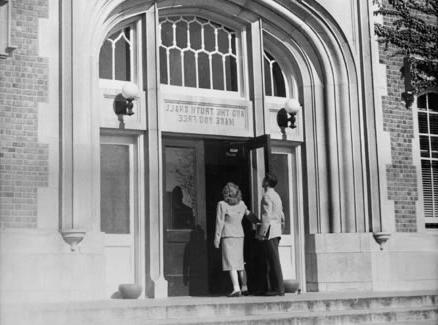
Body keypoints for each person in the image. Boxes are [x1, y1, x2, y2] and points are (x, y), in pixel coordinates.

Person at [214, 182, 250, 297]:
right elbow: (249, 215)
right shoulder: (242, 204)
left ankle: (236, 288)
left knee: (231, 263)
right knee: (240, 262)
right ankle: (245, 287)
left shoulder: (221, 204)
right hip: (239, 235)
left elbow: (219, 223)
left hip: (228, 236)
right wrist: (259, 222)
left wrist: (217, 239)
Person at [257, 173, 285, 296]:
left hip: (270, 231)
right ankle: (273, 287)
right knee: (271, 260)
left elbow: (266, 216)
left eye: (264, 180)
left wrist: (261, 233)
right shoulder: (277, 195)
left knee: (273, 260)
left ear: (267, 182)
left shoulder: (267, 196)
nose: (262, 181)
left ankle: (279, 288)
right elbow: (282, 215)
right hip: (276, 229)